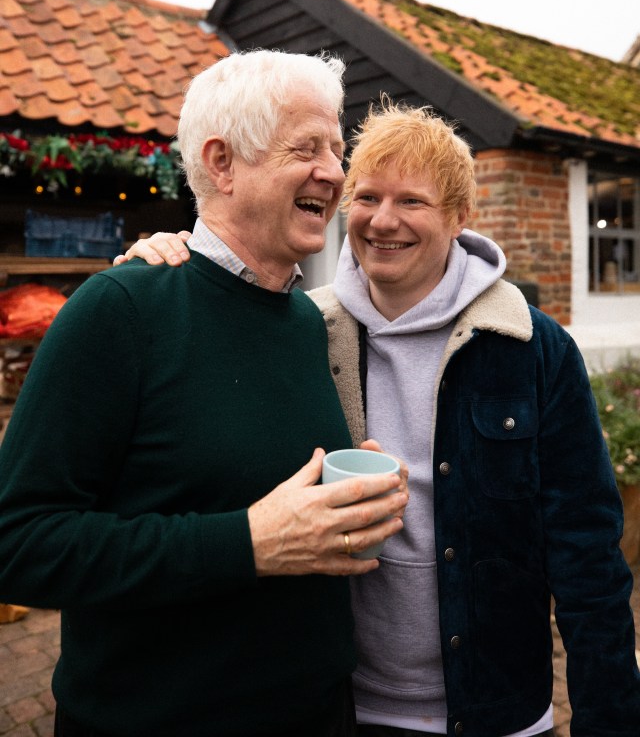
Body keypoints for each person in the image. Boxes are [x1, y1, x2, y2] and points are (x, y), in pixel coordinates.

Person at [124, 99, 640, 737]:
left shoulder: (531, 348)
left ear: (458, 217)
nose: (383, 221)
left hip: (496, 707)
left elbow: (587, 554)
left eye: (413, 202)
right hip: (336, 703)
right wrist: (169, 263)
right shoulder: (303, 330)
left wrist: (609, 719)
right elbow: (210, 331)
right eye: (366, 197)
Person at [0, 51, 409, 737]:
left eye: (338, 151)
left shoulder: (309, 321)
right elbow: (19, 546)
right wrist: (247, 541)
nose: (336, 172)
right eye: (307, 148)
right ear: (221, 163)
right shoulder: (121, 310)